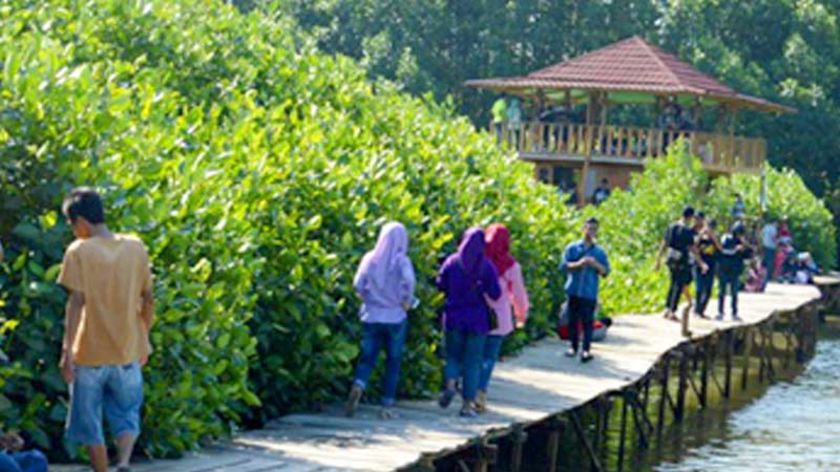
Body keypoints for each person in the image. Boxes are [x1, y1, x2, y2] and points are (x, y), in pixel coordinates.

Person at [57, 188, 154, 472]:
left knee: (89, 421)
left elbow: (76, 302)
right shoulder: (136, 247)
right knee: (126, 413)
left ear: (80, 222)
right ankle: (123, 462)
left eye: (71, 225)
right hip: (127, 351)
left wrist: (67, 351)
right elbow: (148, 298)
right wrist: (142, 338)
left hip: (89, 352)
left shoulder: (79, 251)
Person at [345, 222, 416, 420]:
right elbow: (409, 281)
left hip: (371, 314)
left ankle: (359, 384)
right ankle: (387, 405)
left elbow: (357, 282)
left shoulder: (370, 258)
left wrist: (364, 294)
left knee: (368, 357)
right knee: (393, 361)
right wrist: (406, 300)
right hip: (395, 317)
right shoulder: (402, 261)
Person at [437, 228, 501, 418]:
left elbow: (441, 284)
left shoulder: (452, 261)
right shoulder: (486, 266)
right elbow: (495, 294)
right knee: (473, 362)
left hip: (454, 317)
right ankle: (466, 405)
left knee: (453, 357)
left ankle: (450, 385)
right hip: (477, 320)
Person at [476, 224, 529, 412]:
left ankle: (468, 388)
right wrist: (521, 315)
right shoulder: (511, 265)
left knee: (474, 354)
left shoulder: (478, 260)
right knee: (489, 357)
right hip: (498, 318)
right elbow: (519, 294)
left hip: (477, 315)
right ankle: (480, 392)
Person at [560, 218, 610, 363]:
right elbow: (563, 266)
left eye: (594, 229)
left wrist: (595, 265)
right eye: (589, 228)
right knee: (573, 320)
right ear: (583, 229)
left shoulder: (599, 252)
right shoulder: (572, 248)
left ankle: (586, 350)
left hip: (589, 292)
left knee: (588, 322)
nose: (591, 232)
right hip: (574, 289)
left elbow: (605, 272)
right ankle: (573, 347)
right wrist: (579, 264)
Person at [656, 206, 707, 336]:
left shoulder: (671, 227)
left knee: (672, 282)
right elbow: (692, 249)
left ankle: (667, 308)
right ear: (690, 217)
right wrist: (701, 263)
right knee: (678, 285)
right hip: (681, 260)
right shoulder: (686, 231)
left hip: (670, 258)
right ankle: (672, 310)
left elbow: (664, 243)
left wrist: (658, 259)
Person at [716, 223, 750, 321]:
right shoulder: (726, 238)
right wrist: (735, 249)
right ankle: (720, 312)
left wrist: (744, 246)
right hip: (724, 269)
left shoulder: (741, 242)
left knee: (734, 293)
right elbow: (723, 251)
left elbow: (748, 254)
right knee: (721, 292)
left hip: (735, 271)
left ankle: (734, 313)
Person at [694, 218, 720, 318]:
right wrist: (701, 234)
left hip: (711, 265)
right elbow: (693, 246)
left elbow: (720, 248)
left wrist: (713, 237)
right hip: (699, 265)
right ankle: (696, 310)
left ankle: (701, 310)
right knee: (699, 288)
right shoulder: (699, 236)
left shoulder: (715, 238)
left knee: (708, 290)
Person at [760, 217, 778, 289]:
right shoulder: (773, 228)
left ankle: (762, 275)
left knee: (764, 261)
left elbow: (761, 235)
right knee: (770, 262)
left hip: (765, 245)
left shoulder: (765, 227)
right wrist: (777, 243)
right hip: (771, 247)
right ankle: (768, 277)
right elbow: (774, 238)